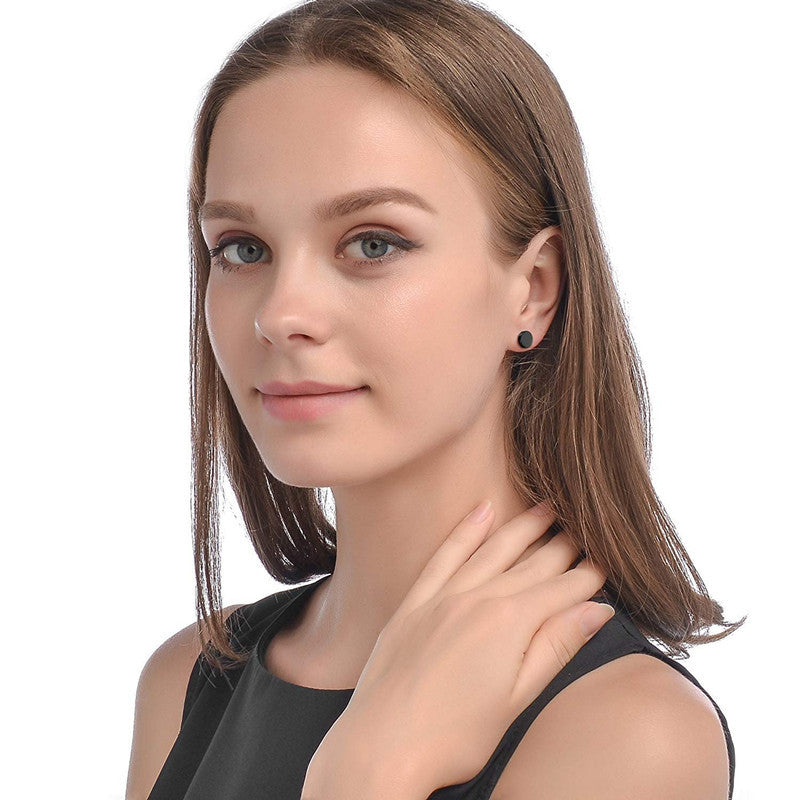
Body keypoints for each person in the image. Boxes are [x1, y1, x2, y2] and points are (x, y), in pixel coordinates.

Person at [125, 1, 745, 798]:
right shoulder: (186, 681)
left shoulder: (626, 734)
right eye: (243, 249)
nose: (280, 314)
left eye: (373, 243)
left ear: (534, 288)